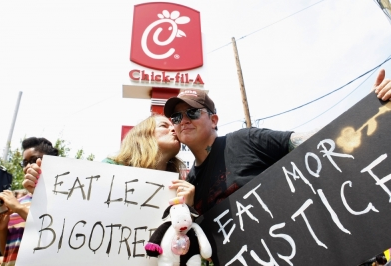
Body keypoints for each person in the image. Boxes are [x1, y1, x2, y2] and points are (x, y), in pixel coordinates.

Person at [163, 69, 391, 215]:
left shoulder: (245, 141)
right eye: (176, 117)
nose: (183, 120)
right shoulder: (189, 183)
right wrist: (192, 207)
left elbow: (314, 142)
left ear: (213, 120)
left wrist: (366, 111)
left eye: (192, 112)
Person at [23, 115, 187, 193]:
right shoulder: (111, 167)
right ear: (144, 136)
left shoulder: (177, 185)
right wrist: (41, 190)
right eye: (164, 125)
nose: (174, 129)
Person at [0, 137, 58, 266]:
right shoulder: (18, 202)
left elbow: (56, 231)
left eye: (33, 160)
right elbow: (7, 252)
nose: (27, 166)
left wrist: (18, 209)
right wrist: (2, 229)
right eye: (24, 162)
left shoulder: (57, 200)